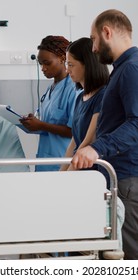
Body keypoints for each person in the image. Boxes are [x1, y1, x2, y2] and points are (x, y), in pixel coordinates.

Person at [71, 9, 138, 260]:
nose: (94, 48)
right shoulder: (121, 70)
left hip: (128, 178)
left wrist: (97, 147)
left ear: (107, 32)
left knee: (128, 255)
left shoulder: (131, 69)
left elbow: (137, 123)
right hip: (116, 176)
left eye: (94, 39)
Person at [20, 35, 79, 171]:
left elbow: (74, 132)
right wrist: (32, 123)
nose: (43, 68)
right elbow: (45, 122)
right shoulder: (50, 89)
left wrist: (41, 125)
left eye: (47, 63)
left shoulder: (73, 89)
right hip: (45, 159)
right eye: (41, 64)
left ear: (62, 58)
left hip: (62, 160)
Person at [60, 37, 109, 171]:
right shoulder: (81, 97)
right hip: (77, 168)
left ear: (87, 64)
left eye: (71, 65)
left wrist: (70, 173)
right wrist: (60, 173)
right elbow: (75, 141)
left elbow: (89, 140)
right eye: (66, 65)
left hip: (90, 170)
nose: (67, 70)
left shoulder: (103, 96)